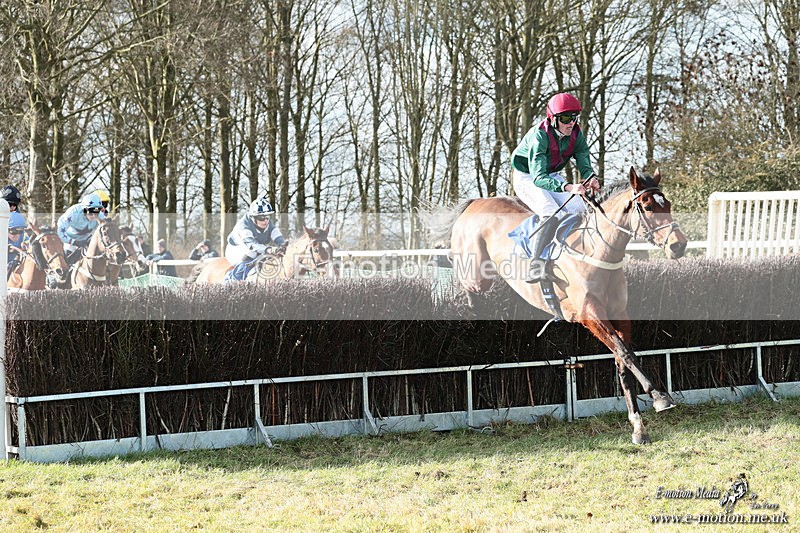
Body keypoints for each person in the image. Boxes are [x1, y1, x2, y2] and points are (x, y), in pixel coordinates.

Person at [511, 92, 601, 283]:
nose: (571, 123)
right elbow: (538, 178)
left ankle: (568, 255)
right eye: (566, 118)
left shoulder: (575, 133)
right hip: (528, 176)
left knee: (580, 208)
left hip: (550, 174)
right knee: (551, 211)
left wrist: (589, 176)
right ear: (553, 119)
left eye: (574, 117)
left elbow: (582, 154)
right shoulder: (539, 136)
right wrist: (568, 187)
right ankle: (535, 265)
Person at [225, 195, 286, 267]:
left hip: (255, 247)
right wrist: (269, 249)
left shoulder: (267, 222)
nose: (265, 221)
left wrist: (283, 245)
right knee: (252, 255)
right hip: (236, 250)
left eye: (267, 216)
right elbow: (252, 245)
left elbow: (277, 235)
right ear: (253, 217)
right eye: (261, 217)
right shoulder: (243, 225)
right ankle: (236, 274)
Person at [57, 193, 106, 265]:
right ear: (84, 209)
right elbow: (59, 232)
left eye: (96, 212)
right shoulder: (73, 213)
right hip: (70, 238)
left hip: (87, 237)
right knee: (67, 260)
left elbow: (107, 229)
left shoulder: (100, 215)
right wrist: (74, 242)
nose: (93, 216)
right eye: (90, 212)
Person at [6, 211, 28, 280]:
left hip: (15, 268)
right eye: (14, 231)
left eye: (20, 231)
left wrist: (25, 249)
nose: (17, 235)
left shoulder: (24, 236)